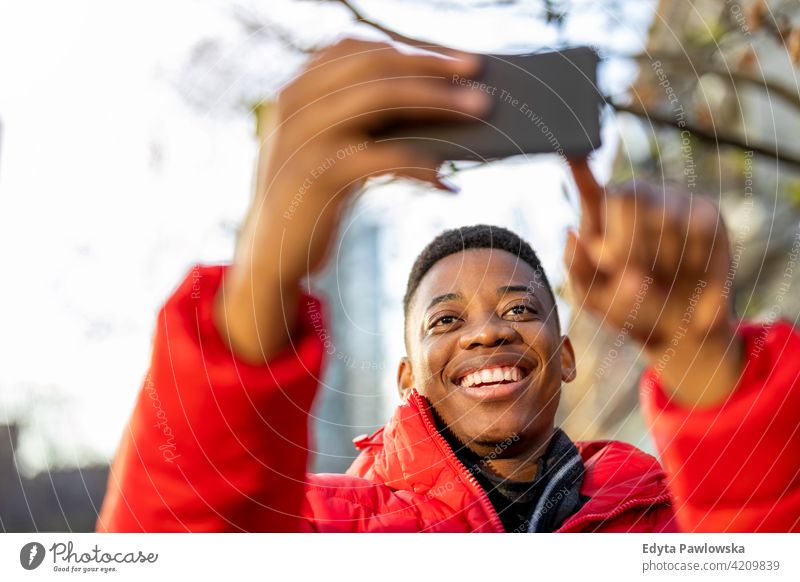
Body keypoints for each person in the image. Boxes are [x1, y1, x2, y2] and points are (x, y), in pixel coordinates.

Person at [97, 38, 800, 533]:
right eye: (444, 320)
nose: (487, 331)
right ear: (407, 374)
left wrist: (698, 352)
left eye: (521, 308)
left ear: (566, 355)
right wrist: (260, 287)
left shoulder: (677, 518)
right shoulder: (317, 528)